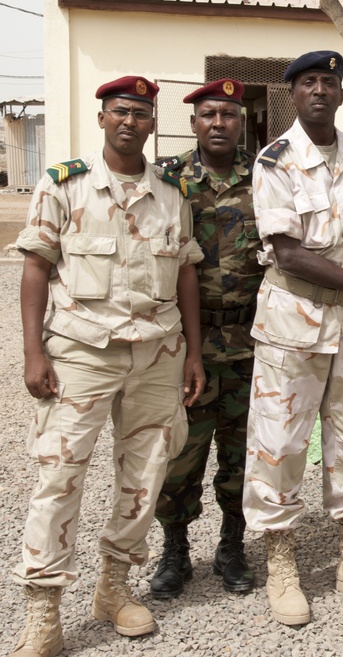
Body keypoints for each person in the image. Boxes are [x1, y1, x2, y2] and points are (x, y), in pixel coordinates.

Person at [10, 75, 205, 655]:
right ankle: (43, 611)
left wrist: (194, 352)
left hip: (157, 354)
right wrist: (32, 351)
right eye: (120, 112)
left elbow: (187, 272)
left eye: (141, 114)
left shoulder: (172, 193)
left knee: (145, 475)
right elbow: (36, 266)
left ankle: (114, 588)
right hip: (81, 352)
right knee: (58, 476)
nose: (130, 122)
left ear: (151, 123)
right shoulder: (63, 185)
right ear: (102, 119)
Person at [243, 50, 343, 627]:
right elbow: (288, 253)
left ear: (341, 93)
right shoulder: (276, 160)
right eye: (308, 82)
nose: (318, 90)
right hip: (294, 324)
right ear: (293, 94)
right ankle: (281, 564)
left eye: (328, 82)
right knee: (280, 444)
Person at [149, 79, 262, 599]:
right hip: (186, 343)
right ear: (193, 121)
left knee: (241, 456)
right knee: (180, 455)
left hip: (250, 344)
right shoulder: (167, 181)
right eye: (209, 114)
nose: (219, 123)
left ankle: (232, 547)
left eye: (230, 115)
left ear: (242, 122)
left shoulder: (264, 176)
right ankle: (175, 551)